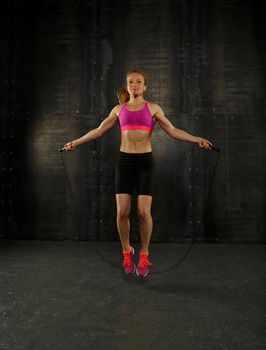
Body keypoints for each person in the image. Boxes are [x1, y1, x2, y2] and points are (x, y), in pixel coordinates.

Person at [63, 70, 213, 278]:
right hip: (124, 163)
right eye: (130, 82)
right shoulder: (118, 109)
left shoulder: (153, 109)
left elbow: (173, 131)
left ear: (145, 87)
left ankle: (144, 254)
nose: (134, 85)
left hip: (145, 164)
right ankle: (127, 251)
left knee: (143, 213)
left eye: (138, 82)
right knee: (122, 212)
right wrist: (75, 143)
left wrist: (196, 138)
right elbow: (98, 130)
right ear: (127, 86)